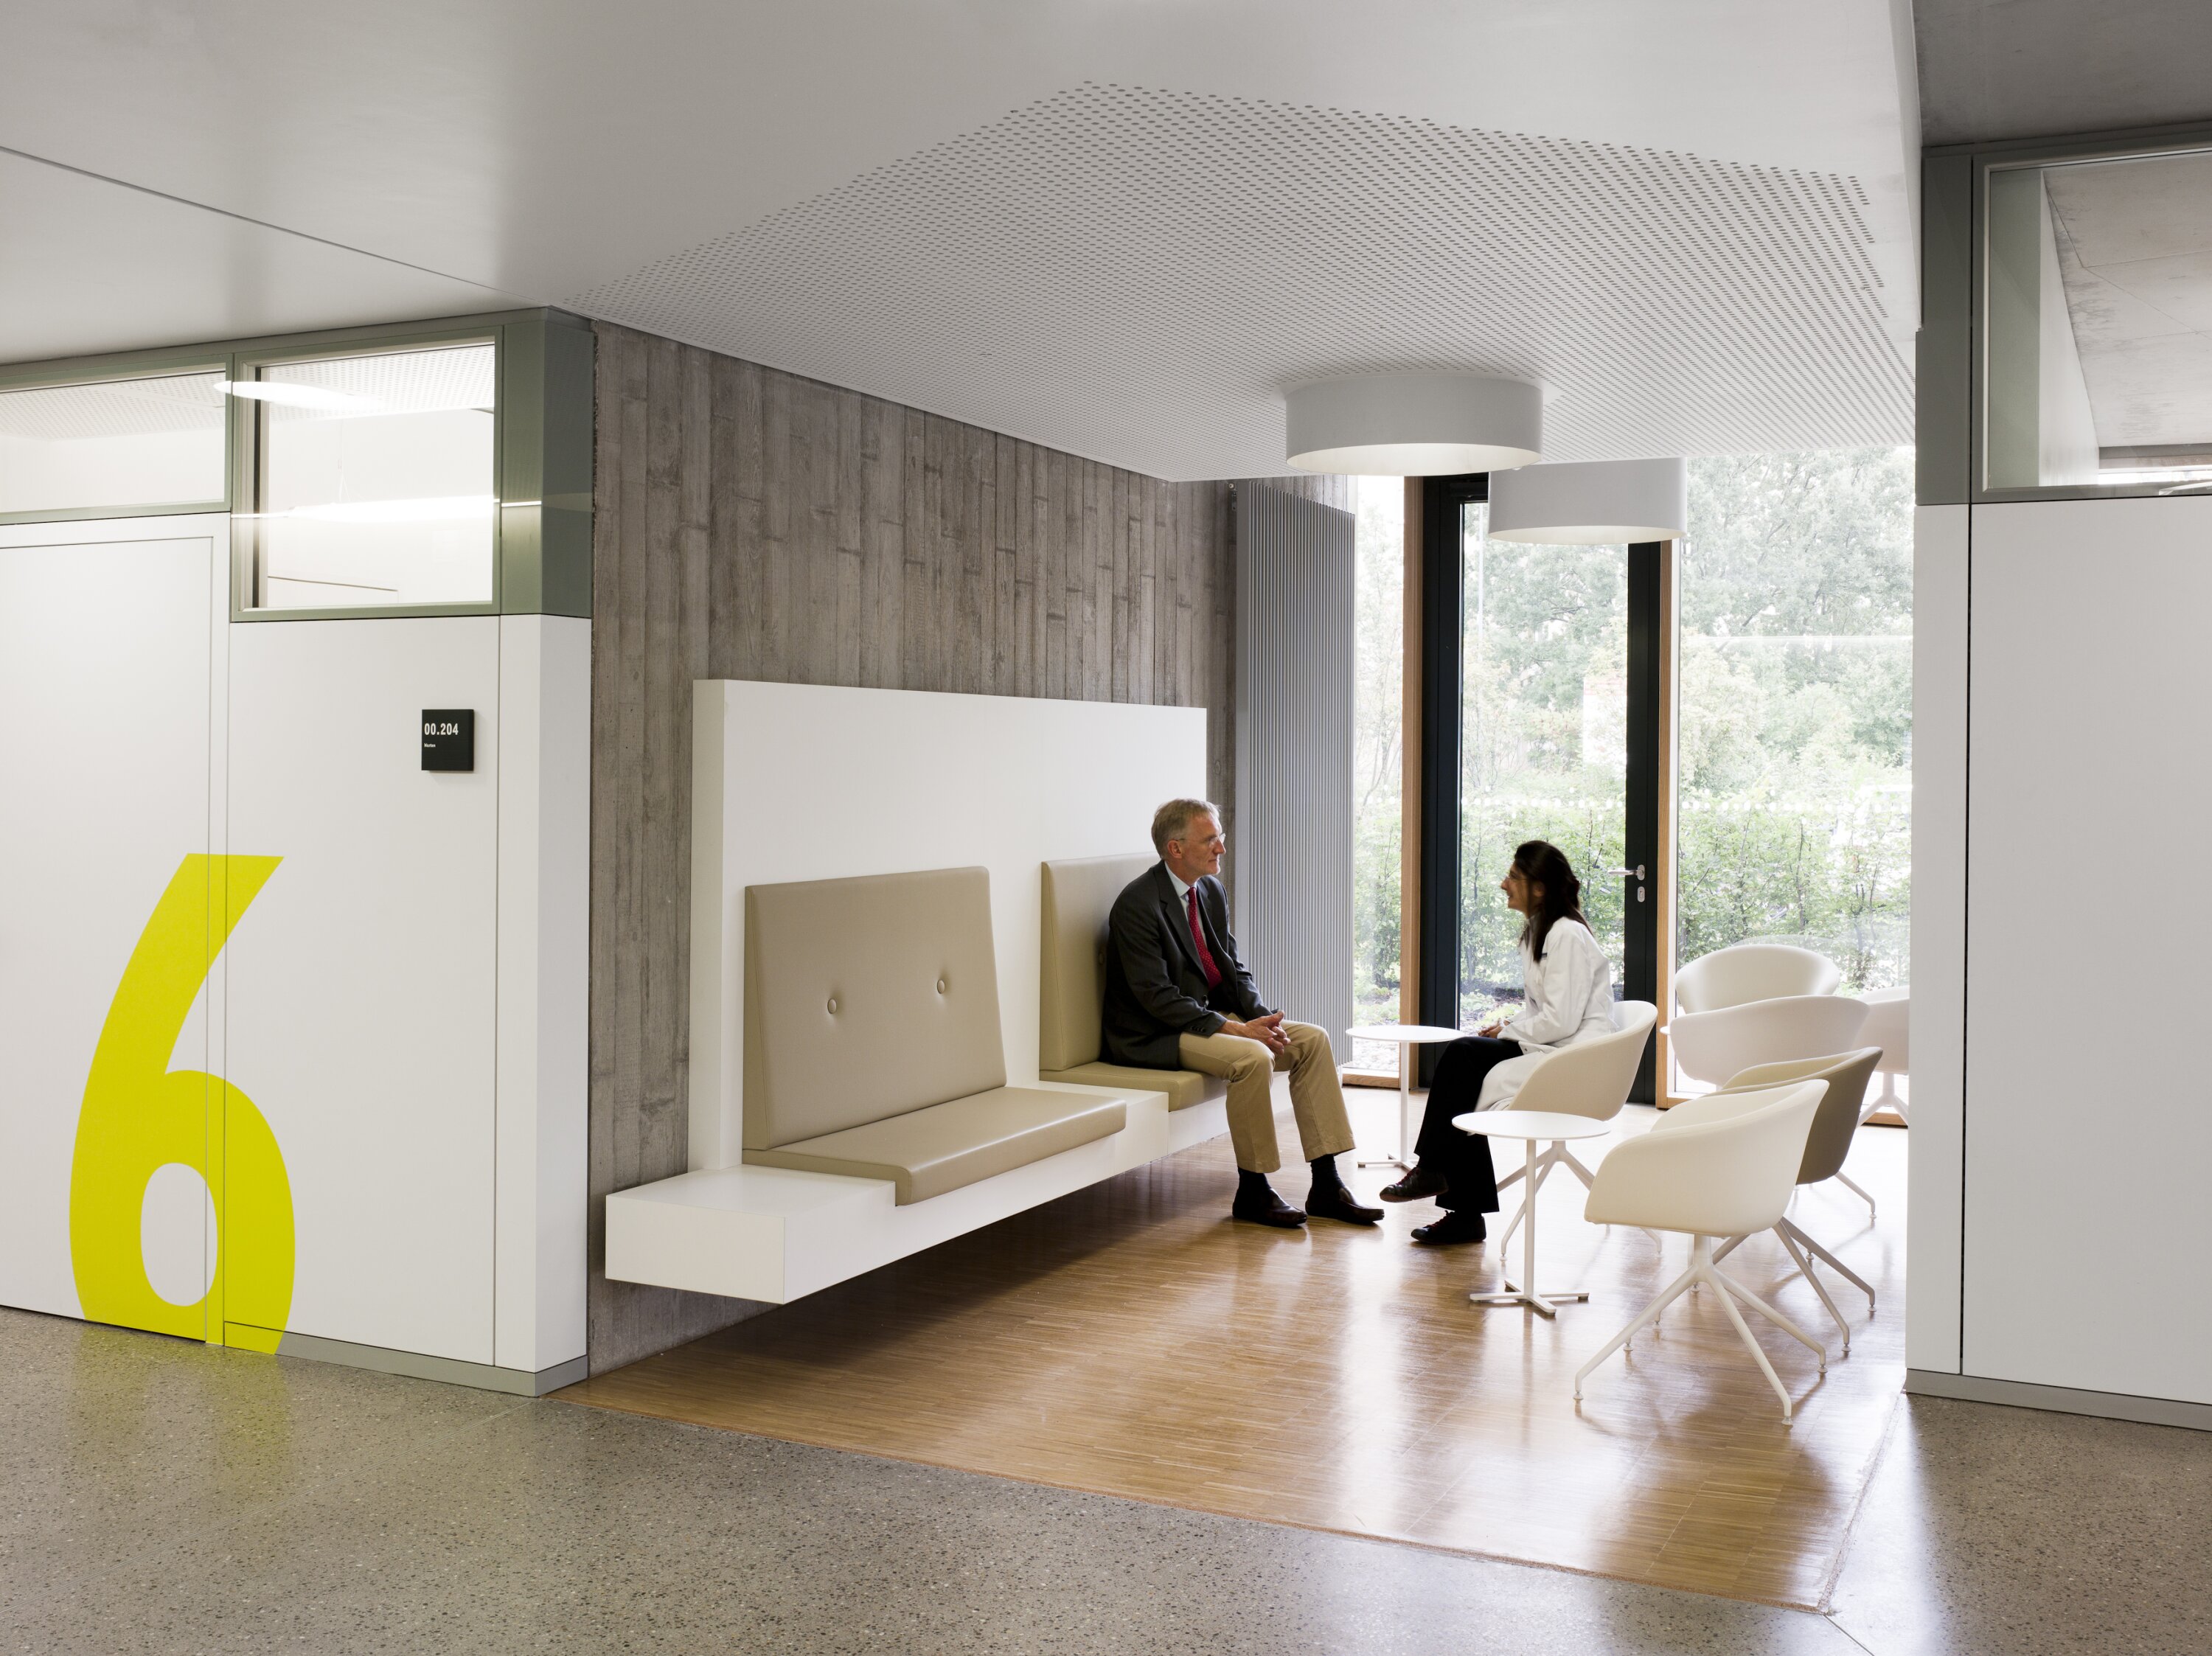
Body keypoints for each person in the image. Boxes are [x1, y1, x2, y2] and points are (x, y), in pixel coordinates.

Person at [1102, 798, 1382, 1230]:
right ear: (1175, 849)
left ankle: (1326, 1184)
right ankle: (1254, 1189)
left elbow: (1232, 968)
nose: (1221, 848)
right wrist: (1237, 1030)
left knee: (1311, 1039)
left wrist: (1265, 1020)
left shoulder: (1210, 889)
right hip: (1156, 1032)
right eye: (1210, 839)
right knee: (1253, 1057)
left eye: (1221, 837)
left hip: (1207, 1017)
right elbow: (1156, 997)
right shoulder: (1138, 905)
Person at [1380, 839, 1615, 1245]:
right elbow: (1546, 1010)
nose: (1503, 884)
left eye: (1513, 877)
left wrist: (1509, 1032)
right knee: (1465, 1068)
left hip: (1575, 1060)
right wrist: (1508, 1026)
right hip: (1555, 1048)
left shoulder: (1566, 935)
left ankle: (1440, 1179)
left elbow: (1561, 1020)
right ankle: (1460, 1208)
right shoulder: (1540, 933)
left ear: (1539, 888)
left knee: (1462, 1059)